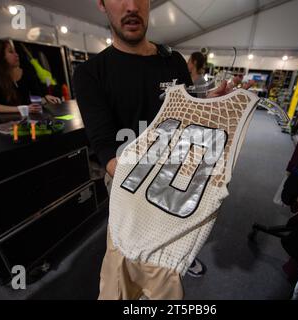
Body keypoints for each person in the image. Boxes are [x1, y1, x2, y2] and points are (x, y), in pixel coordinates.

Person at [74, 0, 231, 299]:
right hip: (127, 177)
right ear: (102, 4)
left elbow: (188, 115)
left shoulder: (172, 61)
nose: (132, 6)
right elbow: (105, 147)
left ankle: (176, 254)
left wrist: (212, 102)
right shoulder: (90, 73)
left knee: (174, 242)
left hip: (176, 165)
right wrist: (144, 190)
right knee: (138, 262)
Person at [0, 39, 61, 115]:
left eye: (15, 51)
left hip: (27, 118)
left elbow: (34, 96)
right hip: (4, 122)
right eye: (11, 52)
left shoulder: (26, 70)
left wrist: (45, 99)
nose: (16, 55)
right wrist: (23, 109)